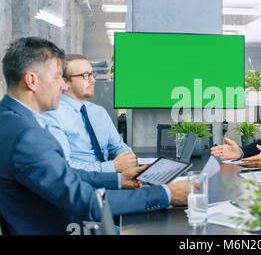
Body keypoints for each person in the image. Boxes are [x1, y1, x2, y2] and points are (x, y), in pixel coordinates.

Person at [0, 37, 188, 234]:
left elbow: (62, 174)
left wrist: (117, 180)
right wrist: (166, 194)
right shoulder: (27, 136)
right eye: (57, 77)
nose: (63, 87)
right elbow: (86, 201)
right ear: (32, 81)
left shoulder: (10, 120)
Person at [44, 54, 135, 173]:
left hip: (113, 177)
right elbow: (64, 166)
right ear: (65, 82)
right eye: (85, 75)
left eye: (92, 74)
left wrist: (131, 163)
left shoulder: (99, 111)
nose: (93, 80)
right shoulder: (53, 115)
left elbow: (118, 146)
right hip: (83, 184)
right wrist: (112, 167)